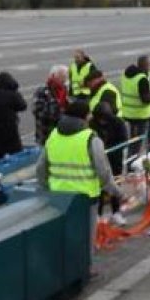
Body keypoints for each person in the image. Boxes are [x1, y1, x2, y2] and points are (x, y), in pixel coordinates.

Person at [37, 99, 125, 245]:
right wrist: (118, 193)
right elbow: (103, 173)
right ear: (84, 117)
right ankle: (86, 266)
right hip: (86, 197)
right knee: (86, 238)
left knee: (64, 235)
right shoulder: (90, 138)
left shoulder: (53, 135)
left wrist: (46, 187)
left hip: (58, 195)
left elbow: (40, 168)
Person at [89, 100, 129, 226]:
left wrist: (110, 149)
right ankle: (98, 215)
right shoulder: (92, 124)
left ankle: (116, 212)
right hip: (99, 159)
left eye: (104, 119)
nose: (102, 122)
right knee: (99, 186)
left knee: (115, 183)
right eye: (99, 119)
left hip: (114, 158)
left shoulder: (118, 123)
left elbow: (123, 140)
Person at [120, 56, 150, 154]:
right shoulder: (142, 79)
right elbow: (145, 99)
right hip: (140, 115)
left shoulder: (125, 75)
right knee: (137, 142)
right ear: (145, 65)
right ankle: (132, 163)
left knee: (134, 140)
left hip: (128, 113)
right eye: (149, 64)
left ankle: (131, 160)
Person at [32, 65, 69, 146]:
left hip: (63, 135)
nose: (64, 80)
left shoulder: (66, 90)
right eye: (62, 77)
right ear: (53, 76)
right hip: (46, 135)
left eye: (66, 77)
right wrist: (59, 108)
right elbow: (38, 112)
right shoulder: (42, 91)